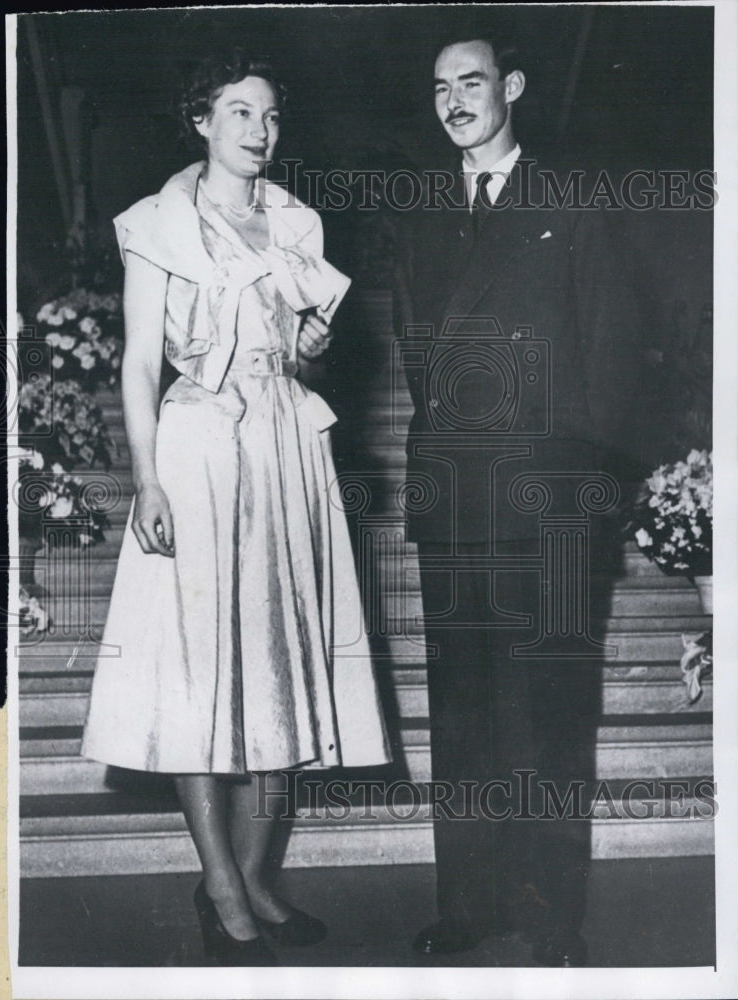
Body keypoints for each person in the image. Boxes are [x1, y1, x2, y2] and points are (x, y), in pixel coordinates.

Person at [82, 50, 391, 966]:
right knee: (200, 671)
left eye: (269, 116)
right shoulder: (159, 225)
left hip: (289, 449)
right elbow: (141, 363)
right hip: (198, 453)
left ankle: (256, 879)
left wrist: (311, 344)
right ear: (202, 122)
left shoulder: (297, 222)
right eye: (239, 112)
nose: (259, 130)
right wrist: (146, 478)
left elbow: (301, 356)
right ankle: (219, 883)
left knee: (282, 664)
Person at [394, 33, 641, 965]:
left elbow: (611, 364)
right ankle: (467, 908)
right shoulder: (419, 219)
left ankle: (547, 920)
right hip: (456, 503)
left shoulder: (572, 203)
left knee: (549, 715)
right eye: (439, 86)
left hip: (550, 509)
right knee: (459, 713)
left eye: (472, 81)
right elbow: (418, 358)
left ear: (514, 88)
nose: (454, 99)